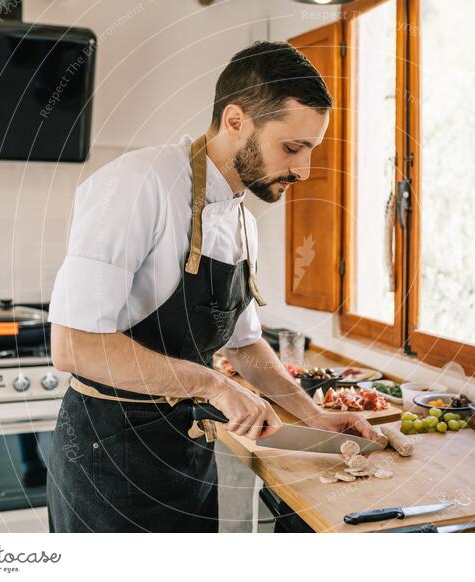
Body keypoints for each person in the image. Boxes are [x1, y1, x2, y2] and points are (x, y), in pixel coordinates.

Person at [45, 41, 379, 532]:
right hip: (107, 459)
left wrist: (311, 415)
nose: (303, 171)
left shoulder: (243, 221)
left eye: (310, 151)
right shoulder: (138, 185)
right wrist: (212, 384)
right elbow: (73, 346)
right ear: (236, 120)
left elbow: (244, 345)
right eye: (292, 148)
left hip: (188, 453)